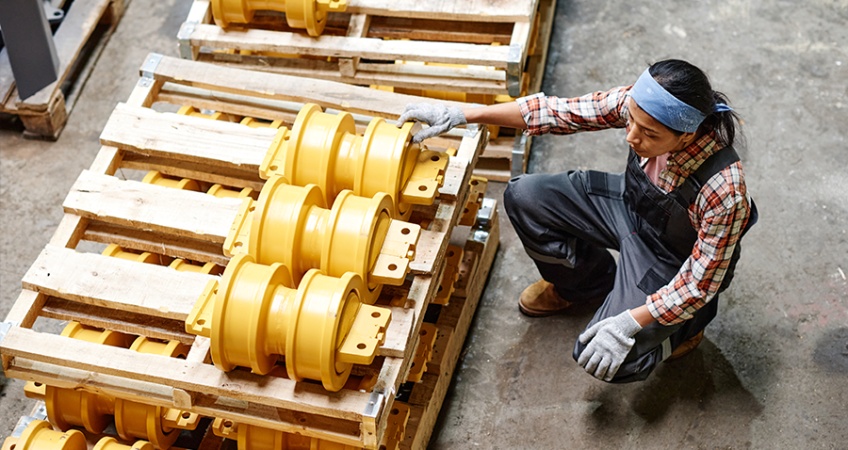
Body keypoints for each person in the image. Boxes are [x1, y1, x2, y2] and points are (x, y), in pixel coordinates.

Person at [395, 59, 758, 383]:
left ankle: (685, 330)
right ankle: (585, 286)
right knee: (525, 197)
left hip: (671, 258)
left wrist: (631, 322)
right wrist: (465, 114)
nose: (632, 136)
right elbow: (560, 112)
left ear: (687, 135)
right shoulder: (643, 104)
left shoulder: (724, 191)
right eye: (630, 121)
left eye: (649, 134)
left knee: (611, 358)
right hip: (627, 207)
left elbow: (699, 284)